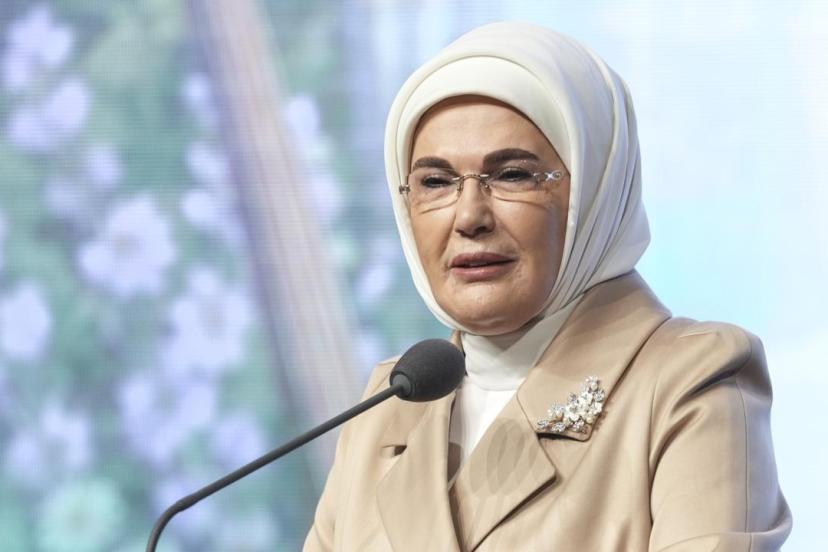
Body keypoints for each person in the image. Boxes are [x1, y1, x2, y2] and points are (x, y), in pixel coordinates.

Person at [304, 21, 792, 551]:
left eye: (512, 174)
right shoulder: (389, 401)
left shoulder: (689, 381)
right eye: (436, 182)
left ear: (595, 190)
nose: (469, 217)